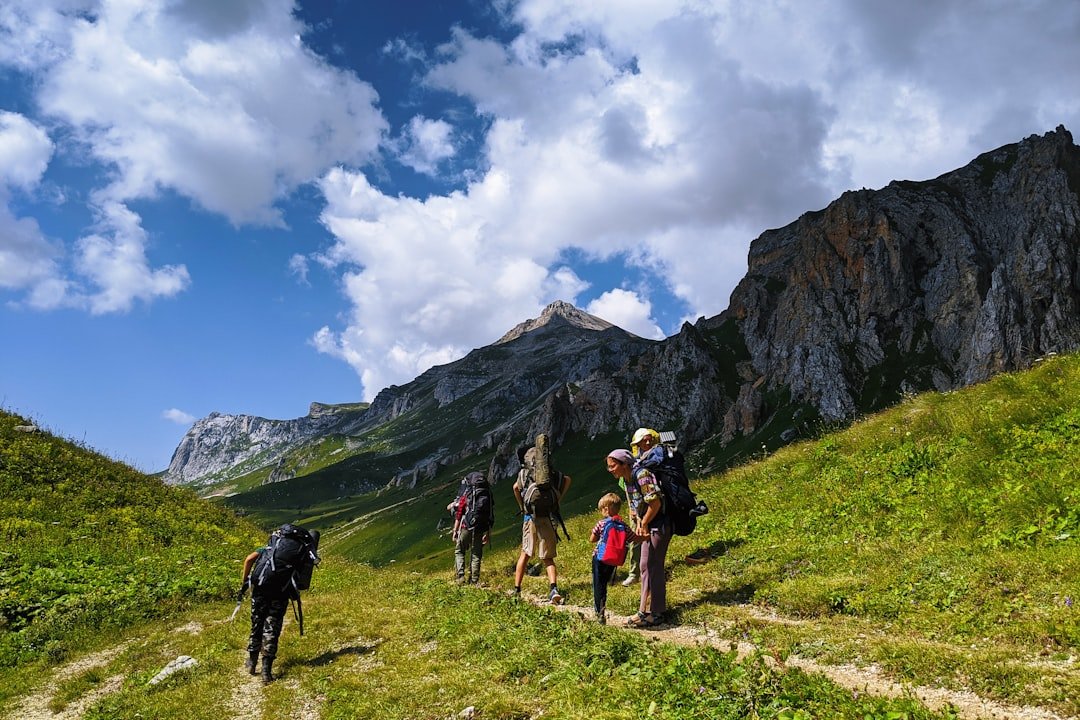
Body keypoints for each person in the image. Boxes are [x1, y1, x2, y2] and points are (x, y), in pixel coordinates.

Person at [606, 439, 669, 628]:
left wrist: (645, 522)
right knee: (644, 566)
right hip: (648, 525)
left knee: (654, 565)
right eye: (608, 467)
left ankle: (657, 613)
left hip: (659, 524)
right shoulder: (626, 480)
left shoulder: (642, 474)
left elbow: (655, 503)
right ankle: (644, 611)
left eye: (613, 466)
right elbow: (638, 503)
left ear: (624, 464)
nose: (610, 470)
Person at [512, 435, 572, 604]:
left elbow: (515, 488)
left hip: (530, 516)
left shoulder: (524, 473)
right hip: (548, 515)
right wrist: (558, 499)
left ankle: (517, 589)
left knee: (525, 554)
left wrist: (522, 506)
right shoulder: (549, 473)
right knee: (548, 557)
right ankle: (553, 589)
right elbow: (567, 479)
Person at [589, 492, 635, 624]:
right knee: (605, 583)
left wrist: (599, 535)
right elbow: (632, 538)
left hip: (600, 556)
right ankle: (602, 606)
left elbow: (592, 539)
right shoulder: (623, 525)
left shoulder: (602, 523)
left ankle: (599, 613)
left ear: (606, 509)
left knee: (599, 584)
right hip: (613, 559)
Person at [452, 471, 494, 584]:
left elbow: (459, 514)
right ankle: (474, 580)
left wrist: (455, 530)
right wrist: (488, 533)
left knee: (459, 550)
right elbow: (490, 514)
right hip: (481, 527)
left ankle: (460, 577)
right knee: (476, 554)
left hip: (467, 526)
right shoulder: (487, 494)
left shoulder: (468, 495)